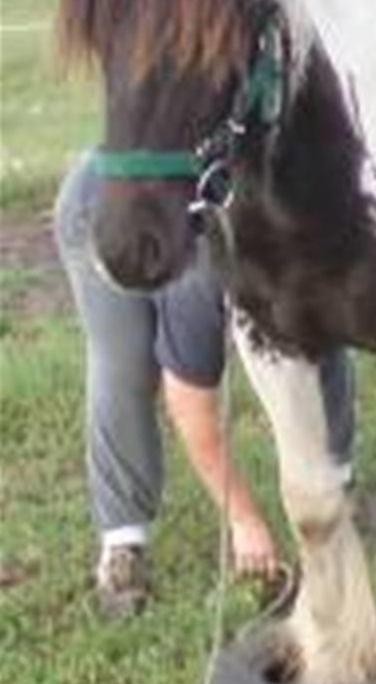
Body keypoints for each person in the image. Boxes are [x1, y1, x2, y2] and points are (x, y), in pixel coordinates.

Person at [54, 152, 355, 617]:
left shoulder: (320, 242)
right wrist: (244, 519)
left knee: (320, 345)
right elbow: (190, 407)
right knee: (126, 364)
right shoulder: (203, 273)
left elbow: (357, 340)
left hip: (198, 194)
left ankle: (336, 481)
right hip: (102, 207)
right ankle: (122, 544)